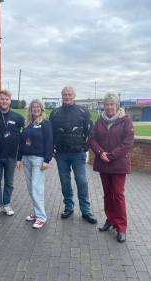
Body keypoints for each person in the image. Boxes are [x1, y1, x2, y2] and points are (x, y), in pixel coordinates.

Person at [89, 92, 134, 243]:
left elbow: (128, 141)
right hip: (104, 163)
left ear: (117, 105)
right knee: (108, 194)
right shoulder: (100, 121)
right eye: (106, 104)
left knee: (118, 195)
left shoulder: (125, 121)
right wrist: (101, 153)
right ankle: (110, 220)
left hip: (118, 163)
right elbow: (92, 138)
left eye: (111, 104)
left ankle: (121, 228)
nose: (109, 107)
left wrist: (111, 155)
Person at [49, 86, 97, 224]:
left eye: (69, 94)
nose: (67, 97)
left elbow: (90, 131)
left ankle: (86, 210)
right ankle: (69, 207)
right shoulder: (55, 113)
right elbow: (51, 133)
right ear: (61, 96)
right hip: (61, 154)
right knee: (65, 182)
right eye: (65, 95)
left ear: (74, 96)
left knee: (81, 181)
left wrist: (85, 148)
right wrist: (51, 150)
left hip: (78, 154)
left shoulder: (83, 111)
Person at [0, 90, 24, 217]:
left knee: (9, 183)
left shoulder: (17, 117)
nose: (4, 101)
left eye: (7, 99)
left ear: (10, 101)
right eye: (2, 99)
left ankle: (6, 205)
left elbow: (28, 130)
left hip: (11, 156)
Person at [16, 99, 53, 228]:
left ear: (41, 109)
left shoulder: (46, 123)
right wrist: (19, 158)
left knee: (36, 188)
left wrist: (47, 160)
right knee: (31, 187)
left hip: (38, 159)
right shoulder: (27, 123)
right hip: (26, 158)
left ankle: (41, 217)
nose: (35, 109)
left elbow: (49, 142)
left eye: (38, 107)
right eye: (33, 107)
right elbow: (22, 141)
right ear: (30, 109)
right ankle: (37, 212)